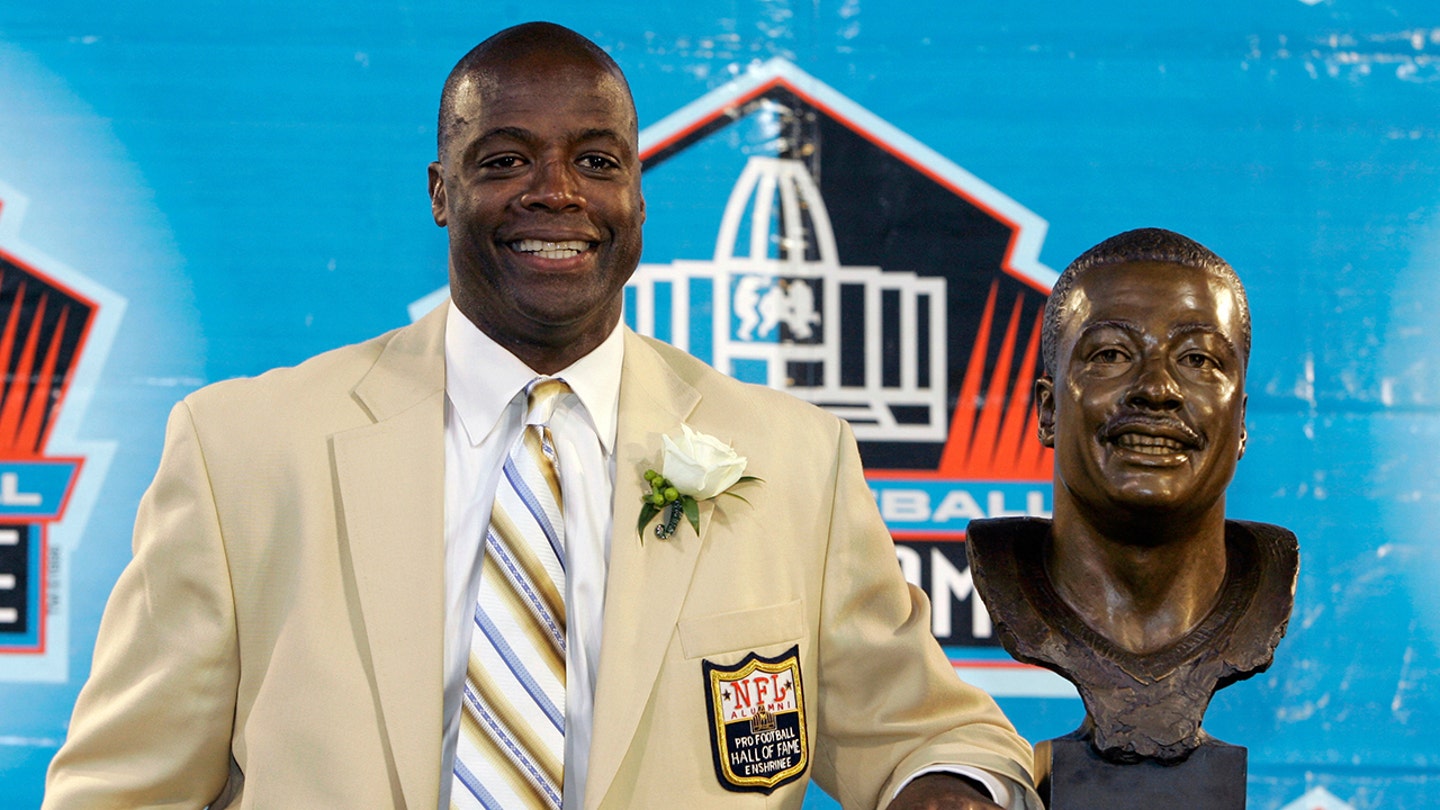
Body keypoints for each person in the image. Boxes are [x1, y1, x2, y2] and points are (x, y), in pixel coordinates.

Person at [44, 21, 1041, 810]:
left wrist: (949, 788)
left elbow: (932, 733)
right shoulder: (244, 452)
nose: (556, 194)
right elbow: (119, 791)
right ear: (441, 192)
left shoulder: (792, 459)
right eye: (505, 160)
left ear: (639, 197)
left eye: (597, 162)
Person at [967, 228, 1298, 763]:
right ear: (1048, 410)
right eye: (1112, 354)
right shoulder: (1005, 571)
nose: (1157, 388)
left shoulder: (1266, 582)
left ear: (1240, 420)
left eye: (1198, 359)